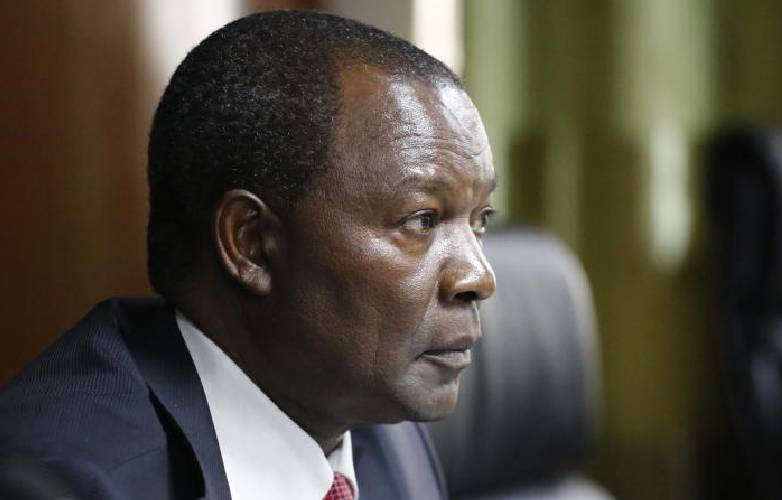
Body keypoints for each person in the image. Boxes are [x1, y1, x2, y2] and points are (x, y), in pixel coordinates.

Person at [0, 10, 495, 500]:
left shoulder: (381, 423)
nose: (480, 276)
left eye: (481, 219)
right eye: (422, 220)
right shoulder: (58, 483)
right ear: (251, 244)